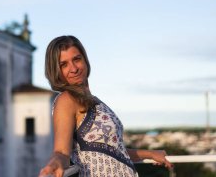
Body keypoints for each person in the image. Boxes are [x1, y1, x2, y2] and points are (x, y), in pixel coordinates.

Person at [39, 36, 173, 177]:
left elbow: (114, 151)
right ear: (56, 71)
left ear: (85, 60)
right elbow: (61, 152)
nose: (73, 68)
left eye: (77, 59)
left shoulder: (95, 101)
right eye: (63, 65)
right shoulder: (66, 100)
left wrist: (150, 153)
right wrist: (56, 162)